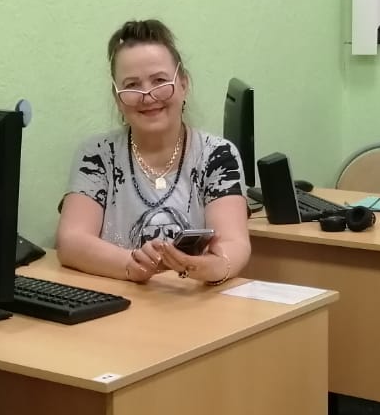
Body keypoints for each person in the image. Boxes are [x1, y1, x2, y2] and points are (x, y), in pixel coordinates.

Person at [58, 18, 250, 284]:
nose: (147, 95)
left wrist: (211, 266)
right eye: (132, 85)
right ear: (117, 97)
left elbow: (234, 242)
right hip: (120, 300)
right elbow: (71, 241)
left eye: (159, 80)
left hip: (192, 300)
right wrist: (132, 265)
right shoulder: (97, 155)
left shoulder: (217, 155)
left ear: (183, 84)